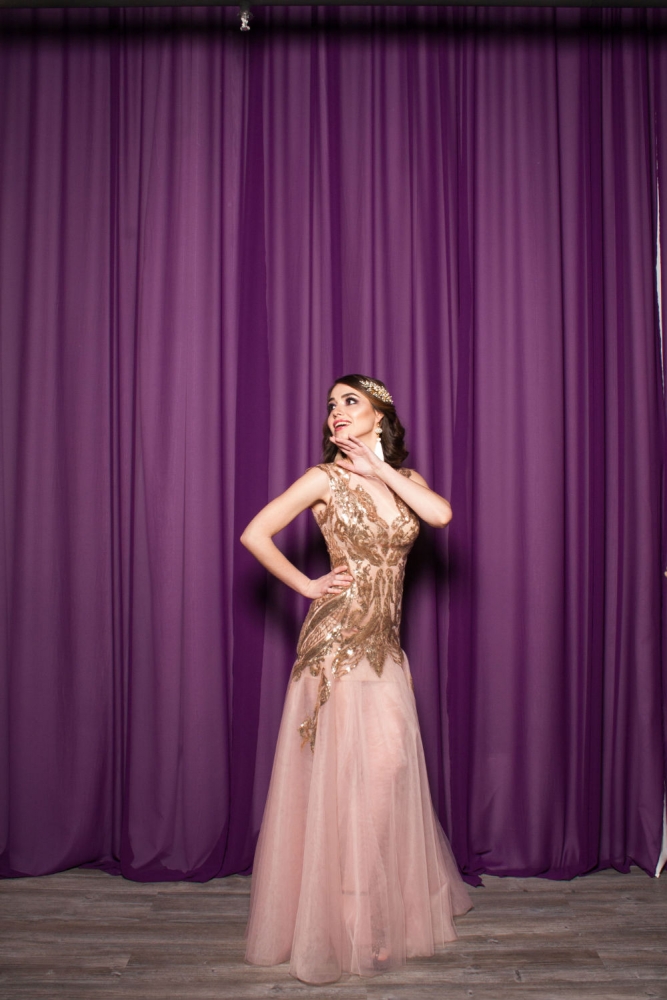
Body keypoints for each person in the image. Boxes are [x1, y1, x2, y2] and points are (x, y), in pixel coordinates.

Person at [241, 374, 472, 984]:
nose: (337, 413)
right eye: (331, 406)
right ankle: (352, 918)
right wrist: (307, 585)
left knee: (386, 770)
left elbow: (441, 515)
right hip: (337, 643)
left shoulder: (404, 480)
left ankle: (363, 908)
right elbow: (254, 534)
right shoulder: (324, 478)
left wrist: (380, 470)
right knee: (348, 779)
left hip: (385, 648)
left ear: (379, 416)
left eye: (351, 402)